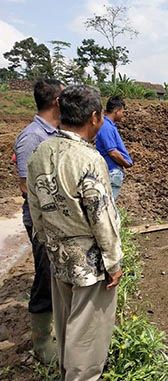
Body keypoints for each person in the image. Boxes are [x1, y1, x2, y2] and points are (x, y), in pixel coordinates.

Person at [26, 85, 123, 381]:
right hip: (90, 265)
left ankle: (66, 373)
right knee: (88, 337)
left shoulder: (40, 152)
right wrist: (113, 261)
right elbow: (101, 217)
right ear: (94, 117)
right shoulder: (88, 159)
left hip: (57, 257)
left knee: (66, 324)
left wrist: (48, 243)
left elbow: (36, 208)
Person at [13, 78, 63, 364]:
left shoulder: (55, 133)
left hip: (58, 221)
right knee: (44, 277)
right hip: (42, 221)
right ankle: (42, 343)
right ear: (56, 101)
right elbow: (25, 185)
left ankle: (56, 328)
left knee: (55, 274)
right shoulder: (32, 137)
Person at [95, 95, 133, 200]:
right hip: (111, 170)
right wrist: (126, 163)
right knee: (108, 204)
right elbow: (112, 152)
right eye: (122, 111)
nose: (123, 114)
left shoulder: (109, 125)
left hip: (113, 171)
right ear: (116, 111)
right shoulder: (106, 127)